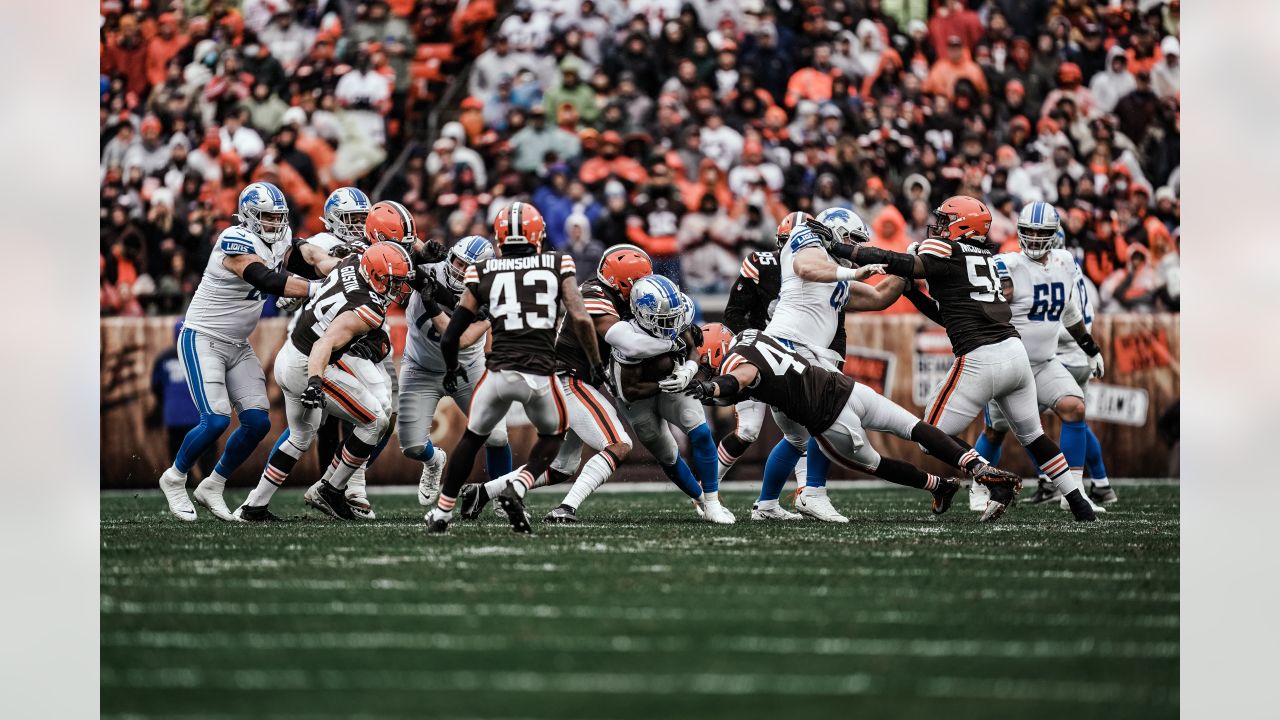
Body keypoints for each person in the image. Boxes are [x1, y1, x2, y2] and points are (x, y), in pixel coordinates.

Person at [824, 195, 1102, 521]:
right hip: (1015, 354)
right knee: (1035, 436)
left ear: (962, 225)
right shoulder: (987, 255)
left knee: (930, 435)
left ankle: (990, 477)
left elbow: (899, 262)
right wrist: (914, 293)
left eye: (945, 220)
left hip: (980, 357)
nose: (939, 226)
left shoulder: (947, 250)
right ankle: (1079, 504)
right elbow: (948, 316)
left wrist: (844, 250)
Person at [685, 326, 1020, 514]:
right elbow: (759, 380)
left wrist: (713, 386)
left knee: (875, 463)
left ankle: (940, 485)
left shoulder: (735, 362)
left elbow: (741, 377)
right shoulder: (752, 335)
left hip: (829, 419)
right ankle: (980, 468)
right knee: (915, 427)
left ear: (718, 351)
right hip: (847, 388)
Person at [426, 202, 604, 534]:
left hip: (497, 374)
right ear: (538, 235)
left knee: (471, 439)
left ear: (500, 236)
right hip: (540, 374)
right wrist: (595, 364)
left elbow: (451, 336)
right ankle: (519, 484)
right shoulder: (556, 262)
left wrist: (451, 370)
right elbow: (580, 317)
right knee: (554, 436)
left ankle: (442, 512)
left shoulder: (482, 271)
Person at [157, 182, 319, 522]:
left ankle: (213, 484)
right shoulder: (235, 239)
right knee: (215, 419)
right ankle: (175, 477)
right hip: (203, 337)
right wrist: (318, 288)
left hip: (237, 345)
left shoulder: (282, 239)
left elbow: (307, 259)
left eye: (278, 217)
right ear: (248, 216)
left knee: (258, 422)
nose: (274, 224)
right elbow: (266, 279)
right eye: (267, 217)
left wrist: (342, 269)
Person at [462, 244, 653, 523]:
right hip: (569, 380)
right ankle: (566, 508)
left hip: (567, 379)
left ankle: (482, 492)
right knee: (619, 444)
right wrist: (668, 341)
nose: (640, 290)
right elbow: (629, 343)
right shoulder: (594, 295)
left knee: (562, 466)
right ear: (620, 280)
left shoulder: (607, 293)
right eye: (637, 283)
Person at [243, 242, 412, 521]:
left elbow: (319, 260)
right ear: (375, 275)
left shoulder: (352, 262)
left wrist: (301, 245)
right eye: (391, 281)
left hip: (292, 351)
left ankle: (254, 505)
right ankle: (331, 489)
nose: (397, 288)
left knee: (299, 437)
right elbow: (325, 343)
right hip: (309, 364)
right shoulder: (368, 309)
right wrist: (315, 382)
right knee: (375, 421)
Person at [753, 207, 900, 523]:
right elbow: (809, 268)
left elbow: (877, 298)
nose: (855, 249)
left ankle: (765, 505)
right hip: (795, 353)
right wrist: (850, 272)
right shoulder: (813, 262)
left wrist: (909, 267)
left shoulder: (829, 273)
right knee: (826, 418)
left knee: (797, 438)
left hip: (790, 355)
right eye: (852, 240)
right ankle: (812, 494)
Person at [968, 203, 1109, 516]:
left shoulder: (1065, 262)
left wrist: (1090, 346)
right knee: (996, 431)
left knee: (1074, 407)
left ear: (1053, 235)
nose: (1033, 238)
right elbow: (986, 305)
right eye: (1028, 232)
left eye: (1040, 232)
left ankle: (1073, 491)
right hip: (1008, 364)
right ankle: (977, 485)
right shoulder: (1007, 265)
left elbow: (1070, 311)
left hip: (1045, 362)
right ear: (1019, 233)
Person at [398, 235, 513, 508]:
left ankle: (502, 496)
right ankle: (434, 461)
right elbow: (398, 246)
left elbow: (462, 339)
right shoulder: (431, 269)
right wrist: (421, 249)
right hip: (420, 368)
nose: (460, 270)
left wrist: (433, 303)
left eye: (468, 266)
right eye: (457, 261)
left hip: (467, 368)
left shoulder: (493, 292)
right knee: (412, 447)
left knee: (496, 434)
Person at [718, 211, 815, 520]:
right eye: (790, 243)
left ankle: (801, 494)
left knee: (803, 427)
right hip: (759, 354)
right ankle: (704, 491)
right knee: (747, 430)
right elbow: (734, 314)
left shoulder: (818, 270)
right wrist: (757, 346)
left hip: (793, 355)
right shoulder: (763, 263)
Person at [150, 320, 216, 480]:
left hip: (174, 415)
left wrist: (164, 404)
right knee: (206, 451)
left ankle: (181, 483)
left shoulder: (164, 357)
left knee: (178, 453)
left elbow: (156, 385)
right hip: (200, 413)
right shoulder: (202, 354)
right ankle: (209, 482)